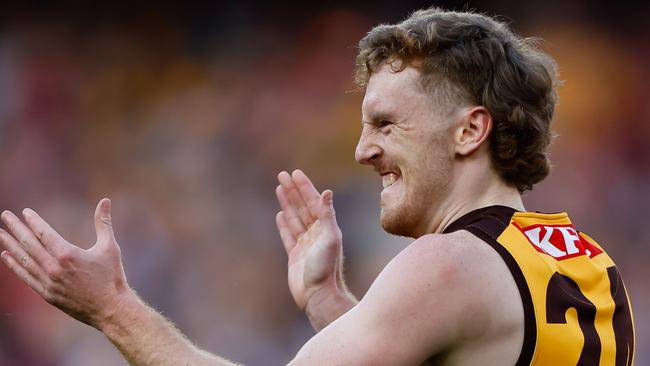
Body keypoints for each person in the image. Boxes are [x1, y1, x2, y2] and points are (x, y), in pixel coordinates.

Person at [0, 7, 635, 366]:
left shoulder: (448, 265)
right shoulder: (591, 265)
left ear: (470, 130)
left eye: (387, 123)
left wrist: (111, 307)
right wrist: (330, 305)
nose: (362, 150)